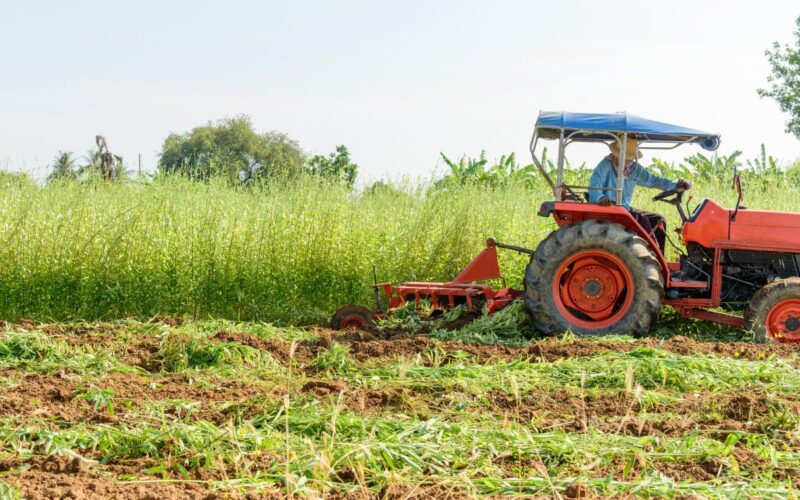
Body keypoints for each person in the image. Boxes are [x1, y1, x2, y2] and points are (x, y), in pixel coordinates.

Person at [587, 137, 692, 252]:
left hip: (625, 209)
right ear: (617, 154)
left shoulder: (633, 168)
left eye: (631, 158)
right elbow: (594, 188)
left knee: (658, 220)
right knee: (643, 220)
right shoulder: (605, 166)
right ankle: (651, 255)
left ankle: (659, 257)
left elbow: (654, 180)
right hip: (610, 210)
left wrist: (677, 184)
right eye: (627, 157)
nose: (629, 161)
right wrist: (602, 198)